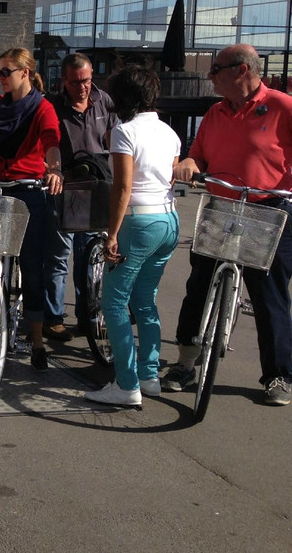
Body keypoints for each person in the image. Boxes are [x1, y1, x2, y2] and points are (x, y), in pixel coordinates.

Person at [165, 44, 292, 406]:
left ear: (241, 70)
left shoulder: (283, 106)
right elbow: (198, 153)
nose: (210, 76)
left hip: (268, 208)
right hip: (221, 204)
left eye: (215, 69)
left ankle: (279, 375)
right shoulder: (215, 112)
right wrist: (189, 162)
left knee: (270, 296)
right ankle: (186, 362)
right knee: (199, 283)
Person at [84, 65, 180, 407]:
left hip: (138, 222)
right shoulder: (170, 133)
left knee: (113, 302)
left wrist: (112, 233)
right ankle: (148, 375)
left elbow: (123, 187)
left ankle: (126, 385)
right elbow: (168, 179)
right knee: (145, 300)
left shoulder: (124, 132)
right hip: (168, 220)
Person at [0, 46, 63, 372]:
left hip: (27, 190)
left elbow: (52, 141)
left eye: (5, 72)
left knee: (31, 266)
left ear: (25, 72)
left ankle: (37, 341)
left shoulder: (42, 108)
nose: (1, 78)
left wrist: (54, 169)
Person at [44, 52, 117, 342]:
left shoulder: (104, 101)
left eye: (86, 80)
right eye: (75, 83)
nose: (82, 87)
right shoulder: (52, 104)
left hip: (97, 188)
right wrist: (54, 169)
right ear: (64, 81)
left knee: (91, 258)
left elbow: (114, 139)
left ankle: (88, 317)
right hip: (67, 188)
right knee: (60, 256)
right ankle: (54, 318)